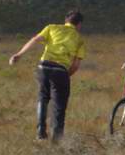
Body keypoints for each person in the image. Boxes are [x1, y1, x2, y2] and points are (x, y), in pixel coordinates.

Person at [9, 10, 85, 142]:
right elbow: (76, 65)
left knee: (43, 97)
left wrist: (19, 54)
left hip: (43, 67)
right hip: (61, 70)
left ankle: (40, 131)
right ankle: (56, 139)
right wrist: (66, 75)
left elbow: (35, 39)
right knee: (59, 106)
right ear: (79, 25)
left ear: (65, 21)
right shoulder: (79, 39)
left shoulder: (51, 28)